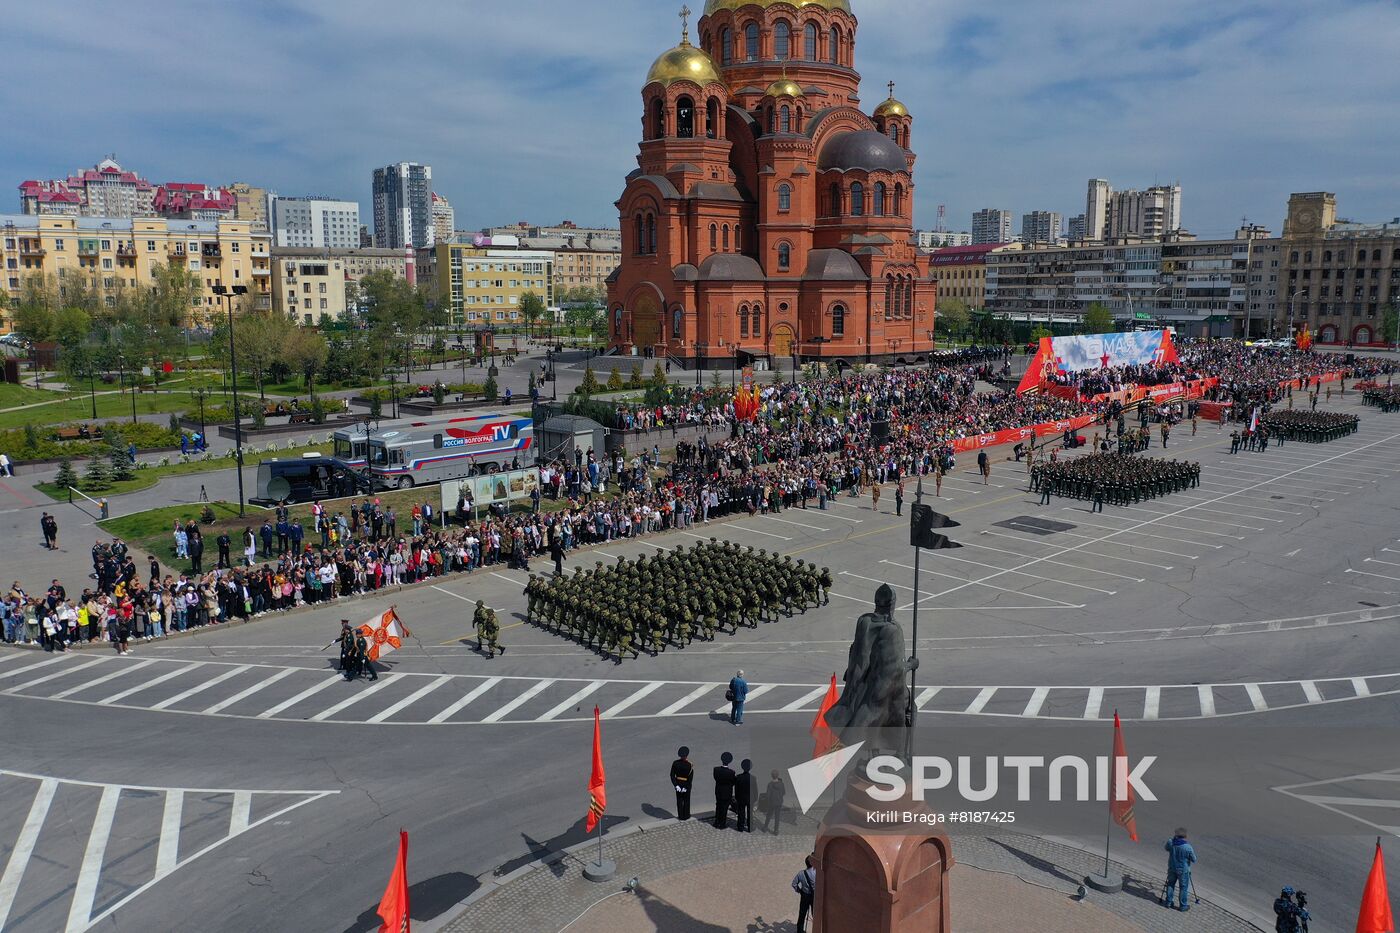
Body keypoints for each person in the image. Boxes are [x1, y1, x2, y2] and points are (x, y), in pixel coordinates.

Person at [1163, 827, 1195, 911]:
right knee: (1183, 887)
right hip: (1183, 870)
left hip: (1172, 868)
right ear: (1185, 836)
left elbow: (1166, 848)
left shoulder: (1171, 842)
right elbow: (1194, 859)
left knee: (1170, 884)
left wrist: (1172, 840)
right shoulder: (1187, 847)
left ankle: (1168, 902)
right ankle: (1183, 906)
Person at [791, 855, 816, 931]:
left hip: (804, 896)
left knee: (802, 915)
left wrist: (799, 891)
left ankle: (800, 931)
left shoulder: (801, 873)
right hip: (814, 896)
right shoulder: (816, 872)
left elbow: (794, 884)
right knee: (815, 914)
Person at [670, 746, 694, 820]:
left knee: (679, 800)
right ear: (686, 755)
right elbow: (690, 778)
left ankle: (680, 816)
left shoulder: (675, 763)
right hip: (686, 784)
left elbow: (672, 775)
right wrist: (686, 787)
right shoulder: (689, 764)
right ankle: (686, 815)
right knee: (686, 800)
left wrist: (676, 785)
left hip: (678, 783)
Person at [713, 751, 736, 829]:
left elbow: (716, 778)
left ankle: (716, 822)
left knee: (718, 806)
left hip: (718, 791)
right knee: (724, 808)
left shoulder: (716, 770)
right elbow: (733, 782)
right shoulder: (731, 772)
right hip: (727, 792)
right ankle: (722, 824)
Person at [761, 769, 786, 835]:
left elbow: (768, 795)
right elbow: (783, 792)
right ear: (778, 776)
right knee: (777, 817)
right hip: (779, 803)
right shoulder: (781, 784)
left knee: (769, 815)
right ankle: (776, 831)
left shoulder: (770, 784)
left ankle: (765, 828)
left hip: (772, 803)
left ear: (772, 776)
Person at [734, 758, 754, 832]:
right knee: (750, 814)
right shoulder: (753, 778)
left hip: (741, 798)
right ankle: (749, 828)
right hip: (750, 798)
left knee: (741, 813)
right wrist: (754, 799)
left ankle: (740, 827)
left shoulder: (738, 777)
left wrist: (737, 798)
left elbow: (736, 789)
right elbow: (755, 790)